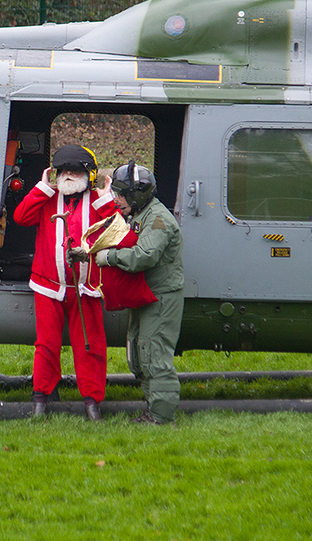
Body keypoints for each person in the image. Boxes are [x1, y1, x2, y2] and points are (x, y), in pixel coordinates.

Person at [13, 144, 116, 421]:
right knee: (46, 343)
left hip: (87, 288)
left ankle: (92, 400)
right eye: (64, 170)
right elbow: (21, 218)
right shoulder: (48, 198)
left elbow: (117, 232)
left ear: (88, 174)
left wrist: (106, 200)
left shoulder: (97, 199)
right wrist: (42, 187)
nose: (69, 175)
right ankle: (40, 397)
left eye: (75, 170)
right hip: (48, 285)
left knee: (90, 344)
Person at [94, 162, 184, 425]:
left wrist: (108, 257)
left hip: (161, 297)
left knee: (154, 356)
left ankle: (161, 417)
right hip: (145, 295)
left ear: (137, 195)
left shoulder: (157, 220)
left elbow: (144, 256)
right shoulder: (139, 215)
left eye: (121, 194)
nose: (117, 199)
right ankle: (152, 409)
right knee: (138, 354)